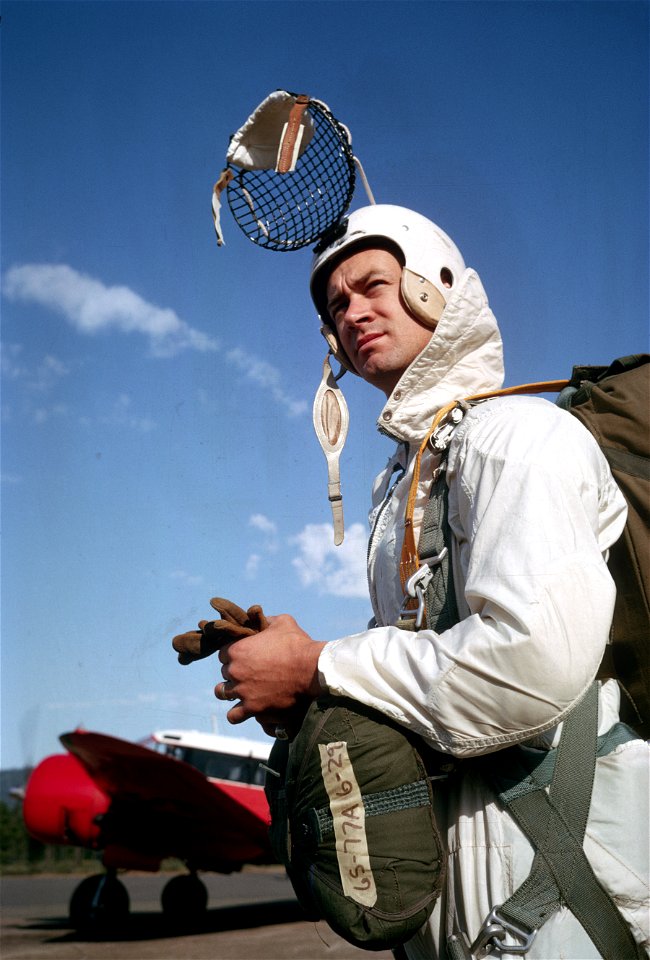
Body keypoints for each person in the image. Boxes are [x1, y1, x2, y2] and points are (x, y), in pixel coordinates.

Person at [212, 205, 649, 958]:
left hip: (566, 897)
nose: (352, 312)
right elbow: (425, 692)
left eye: (372, 284)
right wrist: (302, 691)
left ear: (431, 285)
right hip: (470, 897)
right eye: (335, 305)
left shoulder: (518, 438)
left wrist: (317, 665)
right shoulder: (406, 483)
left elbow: (531, 663)